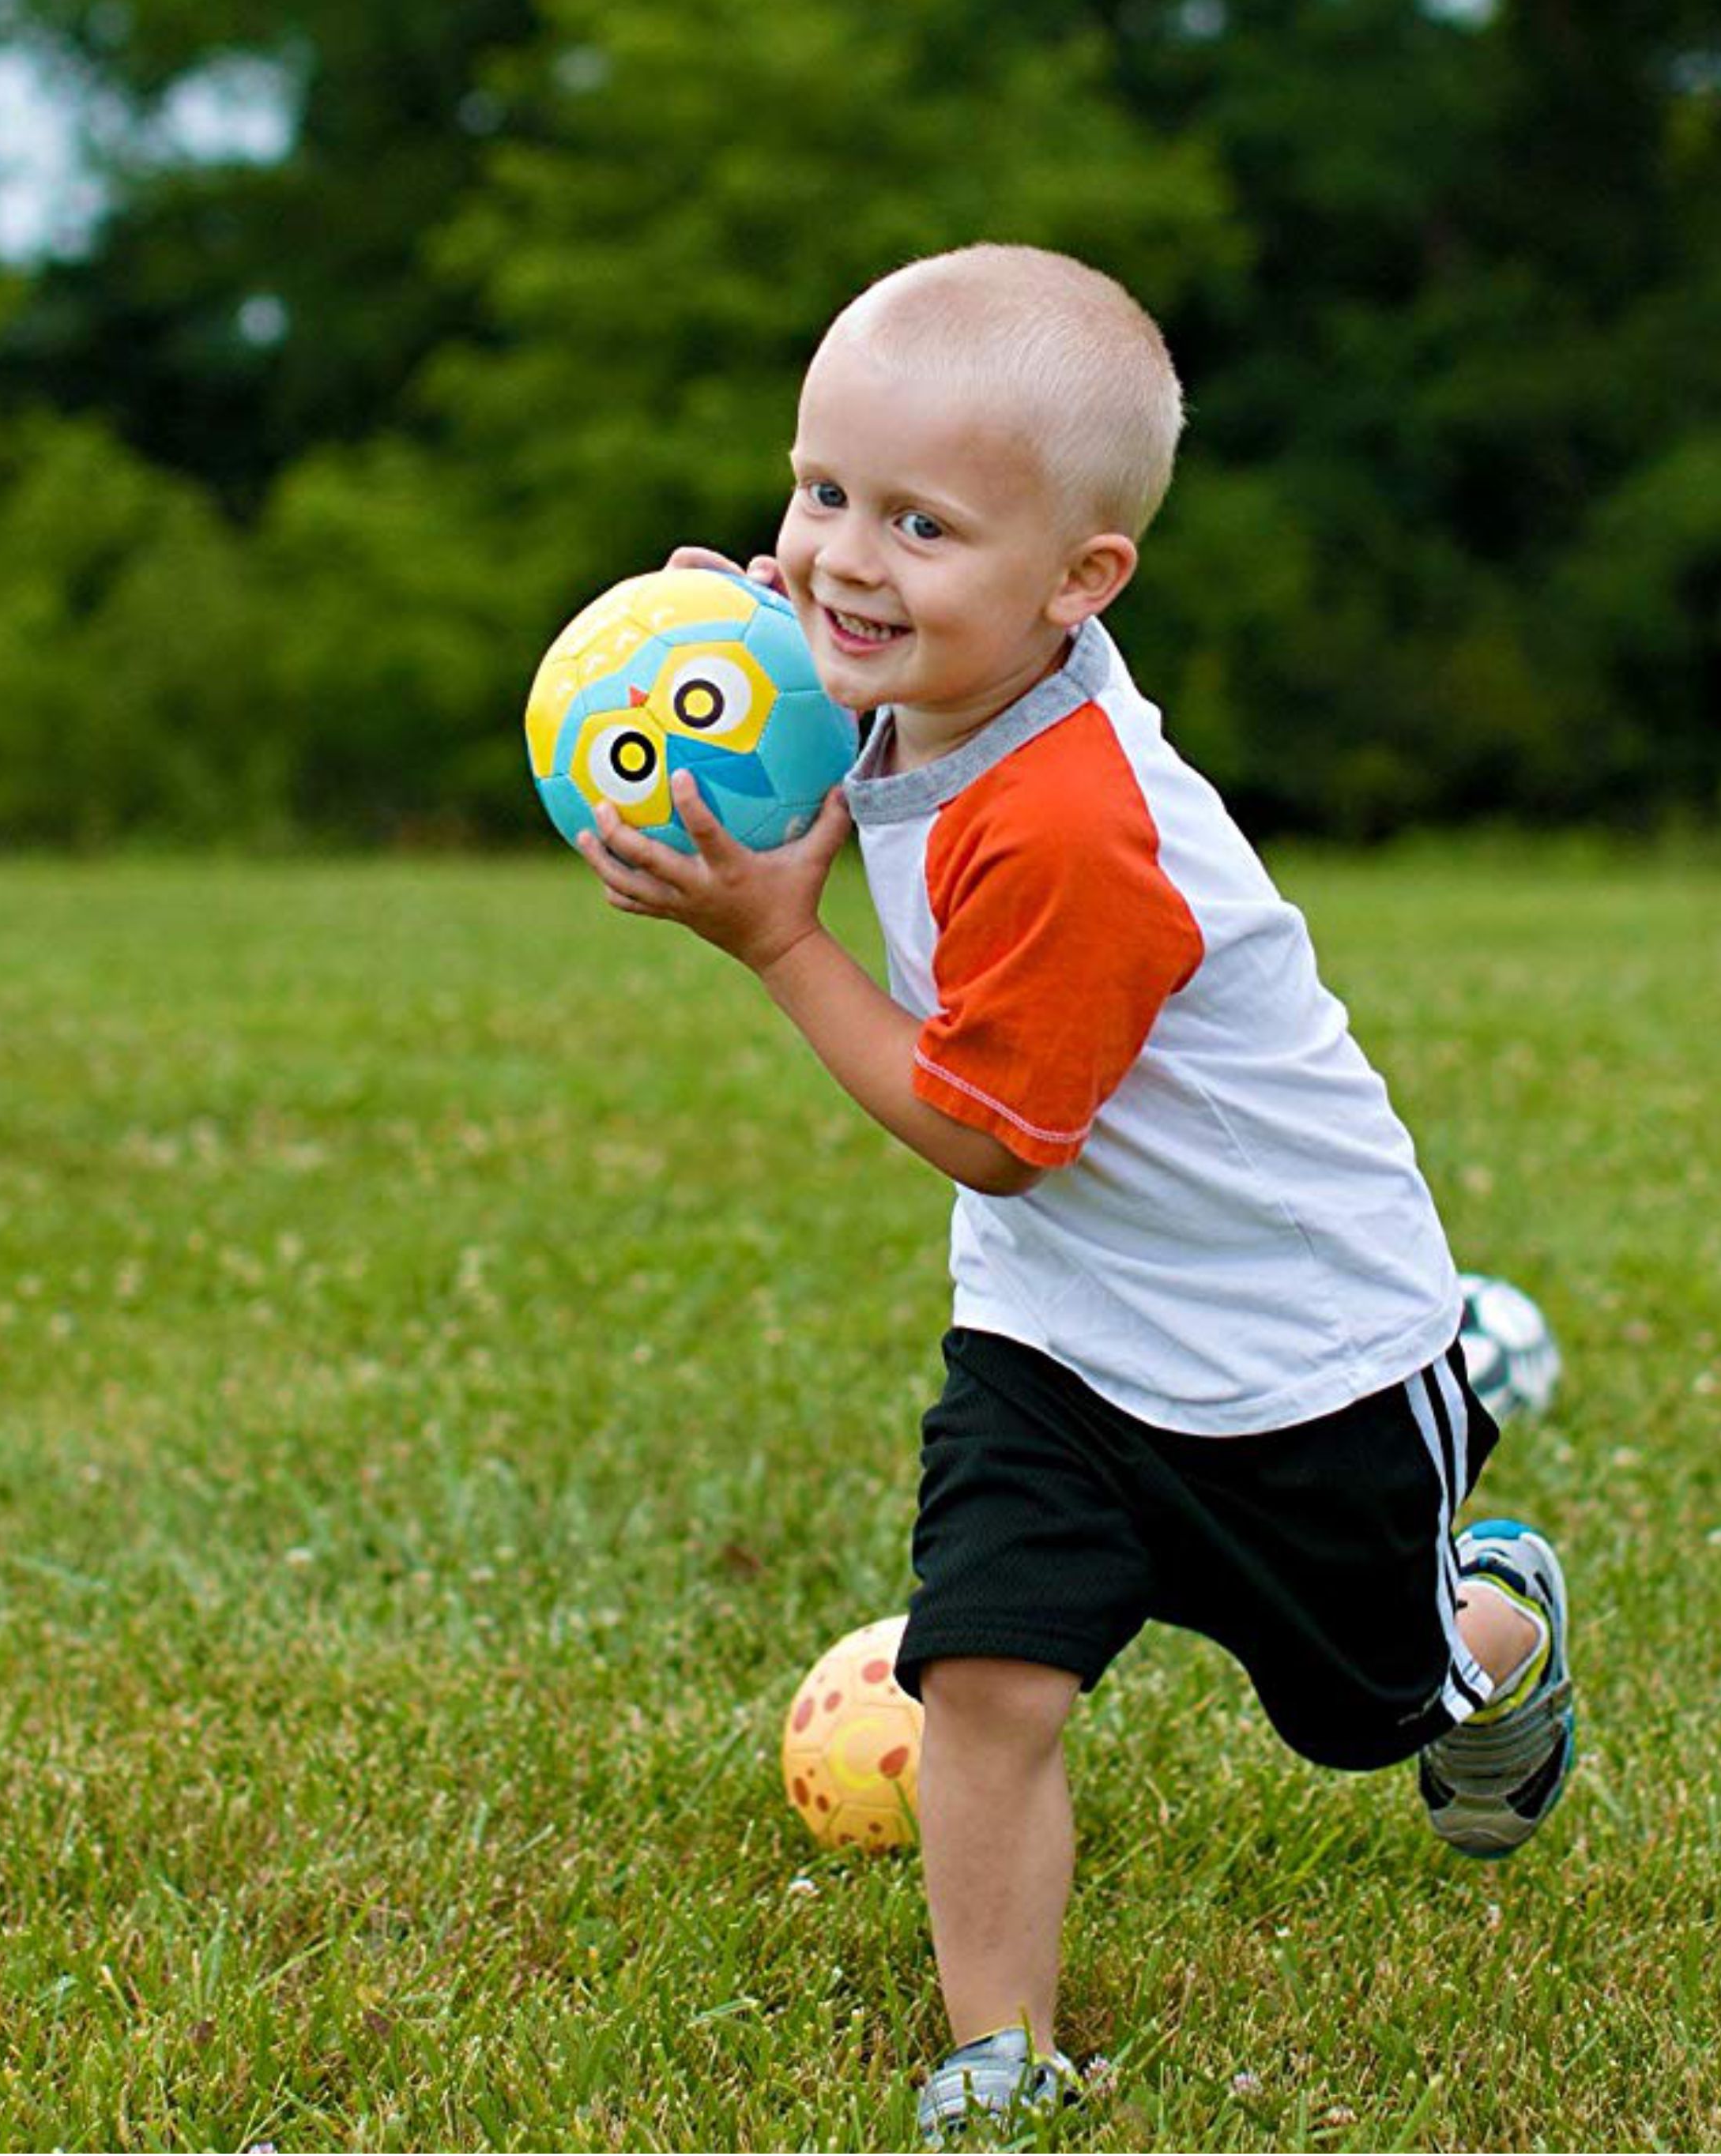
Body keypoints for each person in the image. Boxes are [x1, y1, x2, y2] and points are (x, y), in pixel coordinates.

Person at [572, 243, 1576, 2140]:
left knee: (1370, 1708)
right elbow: (820, 655)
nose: (841, 557)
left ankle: (1497, 1621)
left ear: (1076, 581)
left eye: (919, 524)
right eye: (820, 490)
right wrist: (731, 643)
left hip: (1292, 1349)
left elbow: (991, 1134)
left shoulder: (1066, 823)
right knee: (985, 1674)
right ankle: (1000, 2049)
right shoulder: (920, 659)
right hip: (1052, 1332)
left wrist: (781, 943)